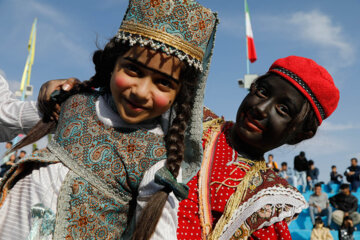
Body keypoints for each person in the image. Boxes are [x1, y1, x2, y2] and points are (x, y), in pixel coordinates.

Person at [0, 1, 218, 239]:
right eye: (133, 70)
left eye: (163, 83)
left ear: (180, 96)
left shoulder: (155, 160)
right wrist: (49, 99)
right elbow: (6, 117)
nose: (141, 92)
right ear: (112, 65)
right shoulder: (74, 103)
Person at [176, 55, 340, 239]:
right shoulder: (191, 121)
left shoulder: (269, 200)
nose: (261, 108)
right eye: (262, 91)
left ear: (300, 135)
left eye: (283, 109)